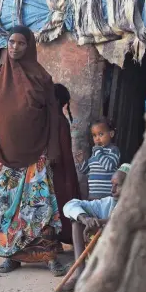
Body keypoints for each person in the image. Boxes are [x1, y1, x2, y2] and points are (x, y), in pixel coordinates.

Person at [0, 25, 66, 276]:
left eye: (21, 43)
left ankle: (49, 257)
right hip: (5, 157)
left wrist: (52, 149)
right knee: (6, 208)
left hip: (36, 155)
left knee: (41, 208)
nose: (15, 47)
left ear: (30, 47)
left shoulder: (42, 78)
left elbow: (52, 116)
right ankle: (11, 256)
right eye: (11, 42)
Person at [58, 163, 130, 292]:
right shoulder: (108, 202)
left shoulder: (139, 206)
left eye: (117, 185)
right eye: (111, 185)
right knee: (77, 222)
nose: (112, 190)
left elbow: (122, 220)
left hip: (125, 262)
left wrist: (99, 223)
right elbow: (70, 205)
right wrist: (85, 218)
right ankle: (80, 273)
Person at [52, 83, 82, 245]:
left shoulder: (57, 121)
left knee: (59, 202)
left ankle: (60, 238)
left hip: (59, 169)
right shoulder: (60, 120)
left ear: (56, 101)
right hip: (64, 168)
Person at [75, 117, 121, 200]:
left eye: (100, 134)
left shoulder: (113, 150)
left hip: (108, 197)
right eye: (94, 135)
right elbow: (86, 171)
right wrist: (81, 162)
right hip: (93, 196)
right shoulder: (95, 153)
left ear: (111, 134)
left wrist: (98, 152)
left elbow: (109, 166)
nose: (97, 138)